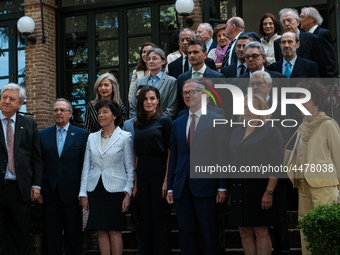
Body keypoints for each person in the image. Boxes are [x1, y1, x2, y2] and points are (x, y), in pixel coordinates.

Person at [167, 78, 228, 255]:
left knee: (209, 233)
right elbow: (175, 157)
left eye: (190, 92)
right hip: (182, 187)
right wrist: (170, 187)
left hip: (207, 187)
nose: (187, 96)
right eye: (184, 93)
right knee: (185, 233)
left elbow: (222, 155)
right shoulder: (177, 123)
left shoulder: (217, 120)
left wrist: (222, 186)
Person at [286, 80, 340, 255]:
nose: (301, 102)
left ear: (316, 100)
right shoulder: (301, 126)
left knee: (326, 229)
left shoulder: (328, 124)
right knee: (306, 228)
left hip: (325, 186)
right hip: (303, 184)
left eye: (305, 98)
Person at [228, 93, 283, 255]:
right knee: (244, 231)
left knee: (260, 231)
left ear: (260, 110)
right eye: (244, 107)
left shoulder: (271, 131)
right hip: (239, 188)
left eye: (250, 107)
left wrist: (269, 192)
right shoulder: (236, 131)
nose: (246, 110)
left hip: (260, 190)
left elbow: (276, 165)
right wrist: (231, 191)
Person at [79, 100, 134, 255]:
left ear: (115, 115)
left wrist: (128, 193)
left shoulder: (125, 137)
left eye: (105, 112)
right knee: (101, 230)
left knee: (114, 230)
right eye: (99, 113)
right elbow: (86, 167)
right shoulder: (91, 138)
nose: (100, 115)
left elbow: (130, 168)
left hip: (116, 190)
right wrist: (83, 193)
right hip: (95, 189)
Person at [39, 98, 89, 255]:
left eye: (62, 110)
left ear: (70, 113)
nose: (58, 112)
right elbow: (39, 164)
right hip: (49, 193)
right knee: (50, 237)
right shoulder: (42, 135)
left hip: (72, 193)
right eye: (55, 110)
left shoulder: (82, 135)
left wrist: (83, 192)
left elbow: (85, 165)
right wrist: (38, 188)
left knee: (73, 237)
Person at [0, 83, 43, 254]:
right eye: (4, 97)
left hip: (20, 188)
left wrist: (36, 185)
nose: (7, 101)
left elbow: (36, 157)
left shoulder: (29, 124)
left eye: (12, 99)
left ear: (20, 104)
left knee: (20, 235)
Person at [133, 85, 172, 255]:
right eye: (146, 99)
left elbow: (170, 151)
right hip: (142, 173)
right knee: (144, 219)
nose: (149, 102)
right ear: (141, 102)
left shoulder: (165, 121)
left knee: (159, 218)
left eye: (152, 98)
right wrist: (135, 183)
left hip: (159, 170)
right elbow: (137, 155)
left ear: (158, 101)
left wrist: (166, 180)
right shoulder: (137, 124)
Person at [129, 48, 178, 119]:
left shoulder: (171, 82)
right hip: (140, 125)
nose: (151, 61)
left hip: (161, 125)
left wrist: (155, 122)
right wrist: (139, 122)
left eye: (154, 58)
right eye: (148, 59)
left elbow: (172, 109)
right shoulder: (139, 81)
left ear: (163, 61)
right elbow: (133, 107)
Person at [273, 8, 323, 77]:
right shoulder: (277, 42)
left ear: (298, 21)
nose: (286, 24)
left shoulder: (312, 39)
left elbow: (321, 64)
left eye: (289, 20)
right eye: (283, 22)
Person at [177, 39, 225, 111]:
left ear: (205, 55)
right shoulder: (182, 78)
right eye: (189, 53)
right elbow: (180, 104)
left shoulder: (217, 77)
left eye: (195, 52)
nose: (192, 55)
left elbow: (223, 104)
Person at [300, 6, 335, 77]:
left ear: (311, 19)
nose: (299, 20)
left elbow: (328, 61)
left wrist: (327, 83)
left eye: (302, 17)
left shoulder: (323, 34)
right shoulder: (302, 36)